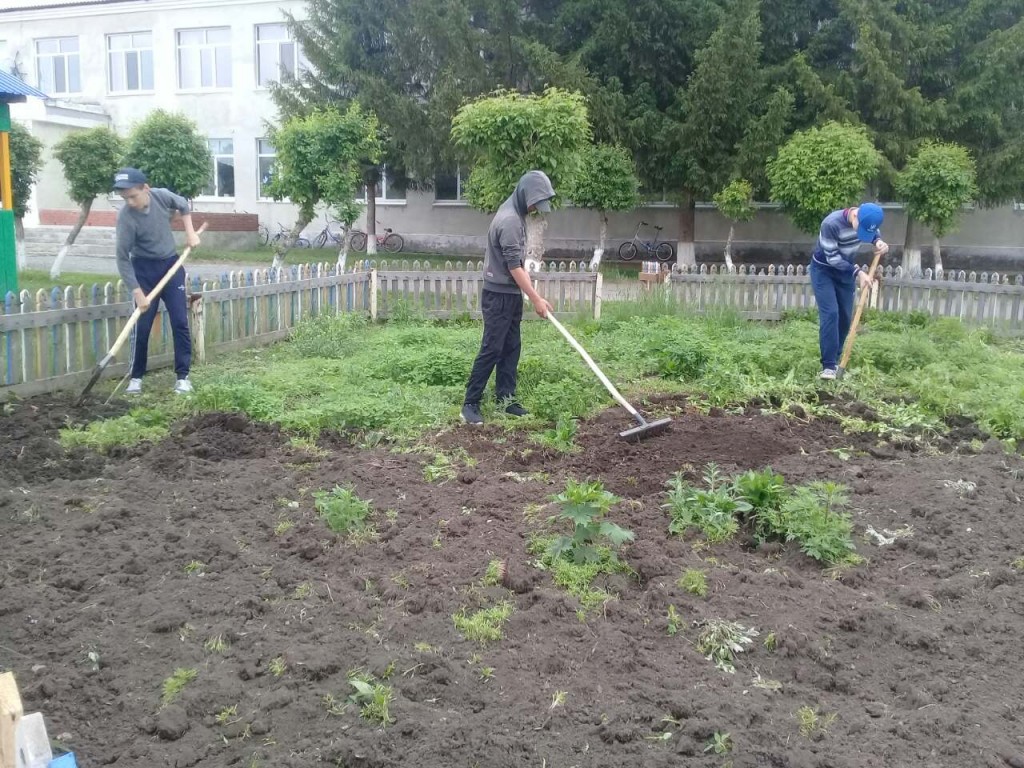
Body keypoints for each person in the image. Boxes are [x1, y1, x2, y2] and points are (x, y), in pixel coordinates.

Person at [461, 170, 556, 425]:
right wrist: (536, 299)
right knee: (492, 348)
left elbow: (517, 266)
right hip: (498, 295)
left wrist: (530, 294)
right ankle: (470, 403)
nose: (535, 209)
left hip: (510, 294)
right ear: (526, 195)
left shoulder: (516, 212)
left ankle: (506, 399)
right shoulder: (510, 220)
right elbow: (514, 267)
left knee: (511, 347)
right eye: (535, 203)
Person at [113, 167, 201, 394]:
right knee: (142, 326)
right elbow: (122, 258)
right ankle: (136, 378)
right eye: (125, 198)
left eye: (133, 196)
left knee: (180, 322)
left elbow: (182, 204)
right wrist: (137, 292)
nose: (130, 202)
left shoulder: (161, 196)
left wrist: (190, 233)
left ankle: (183, 377)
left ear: (146, 188)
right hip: (143, 270)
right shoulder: (126, 218)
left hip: (171, 266)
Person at [809, 202, 889, 380]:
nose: (862, 234)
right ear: (855, 215)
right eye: (860, 229)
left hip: (845, 273)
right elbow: (832, 258)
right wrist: (859, 273)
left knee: (845, 317)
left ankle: (836, 361)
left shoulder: (867, 221)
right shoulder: (831, 224)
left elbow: (874, 234)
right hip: (824, 271)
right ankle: (828, 366)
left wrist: (879, 242)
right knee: (831, 313)